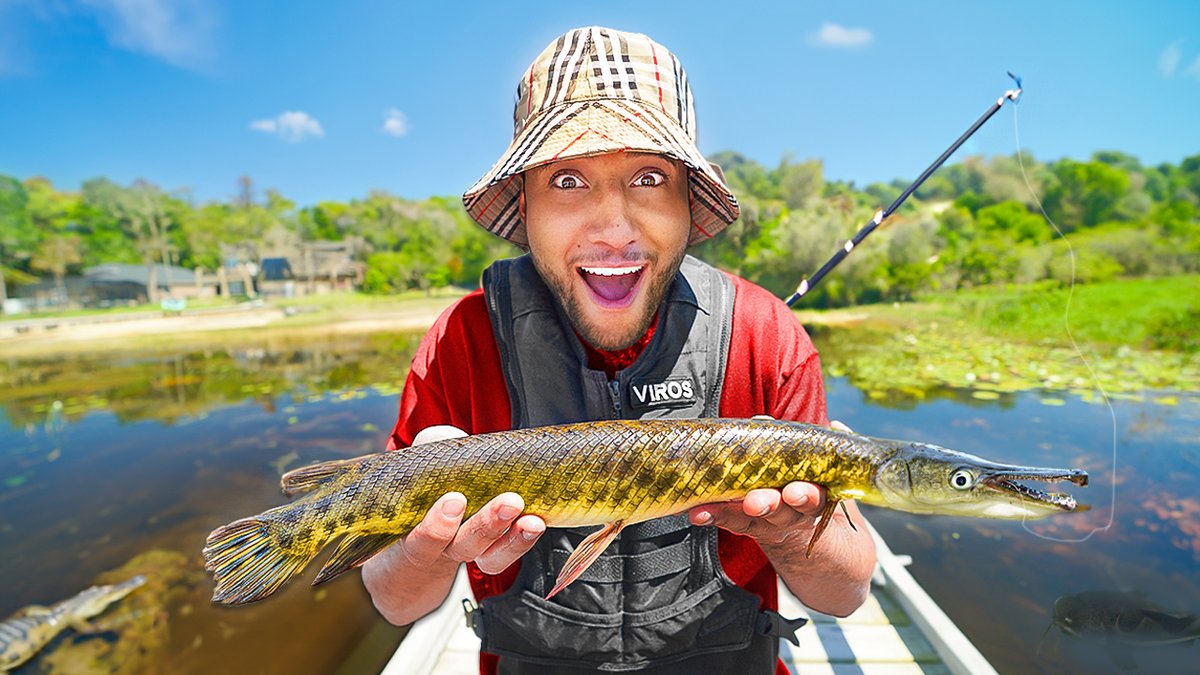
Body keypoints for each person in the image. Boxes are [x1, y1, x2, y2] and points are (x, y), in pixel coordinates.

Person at [362, 25, 876, 674]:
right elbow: (395, 600)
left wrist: (799, 532)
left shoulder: (767, 333)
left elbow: (845, 593)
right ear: (525, 208)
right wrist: (428, 545)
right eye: (567, 180)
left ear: (688, 203)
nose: (612, 228)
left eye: (649, 177)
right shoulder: (459, 341)